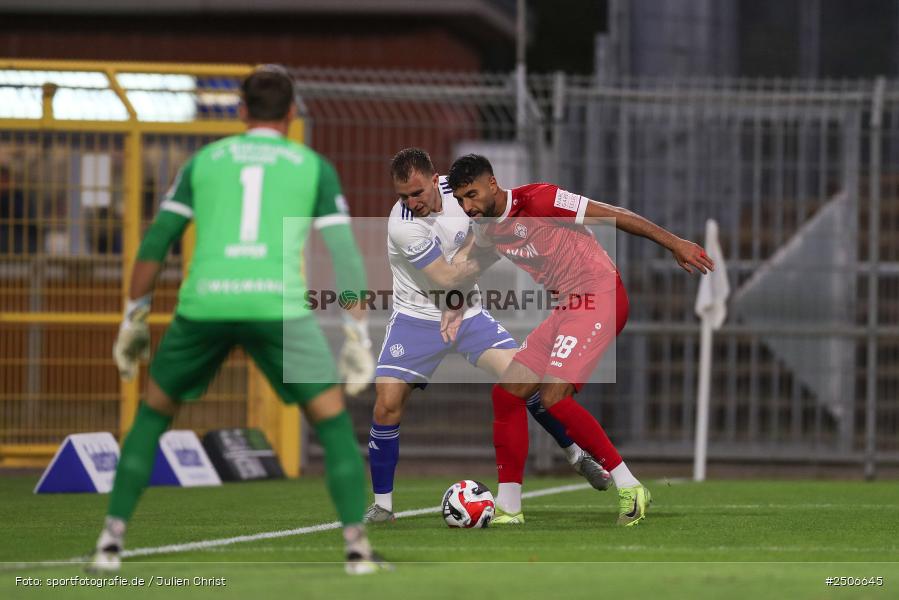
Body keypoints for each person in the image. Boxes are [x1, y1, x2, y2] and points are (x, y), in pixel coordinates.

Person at [89, 65, 386, 575]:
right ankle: (357, 548)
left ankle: (110, 541)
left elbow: (157, 242)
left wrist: (134, 315)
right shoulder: (312, 165)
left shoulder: (204, 161)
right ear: (292, 114)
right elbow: (344, 252)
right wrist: (357, 329)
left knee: (153, 416)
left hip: (205, 306)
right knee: (333, 422)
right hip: (278, 309)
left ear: (241, 110)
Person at [446, 154, 714, 526]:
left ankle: (630, 485)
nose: (468, 206)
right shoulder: (488, 228)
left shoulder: (541, 199)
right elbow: (468, 266)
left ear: (492, 184)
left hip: (600, 295)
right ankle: (509, 506)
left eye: (472, 195)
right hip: (566, 309)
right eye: (460, 200)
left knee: (554, 397)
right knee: (507, 394)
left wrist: (673, 243)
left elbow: (613, 212)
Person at [364, 148, 611, 523]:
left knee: (523, 380)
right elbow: (447, 277)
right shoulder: (402, 225)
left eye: (417, 193)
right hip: (416, 316)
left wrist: (491, 247)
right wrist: (493, 245)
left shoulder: (463, 191)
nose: (411, 203)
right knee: (386, 401)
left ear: (436, 181)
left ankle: (576, 453)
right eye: (403, 196)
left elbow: (500, 220)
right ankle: (383, 506)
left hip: (468, 312)